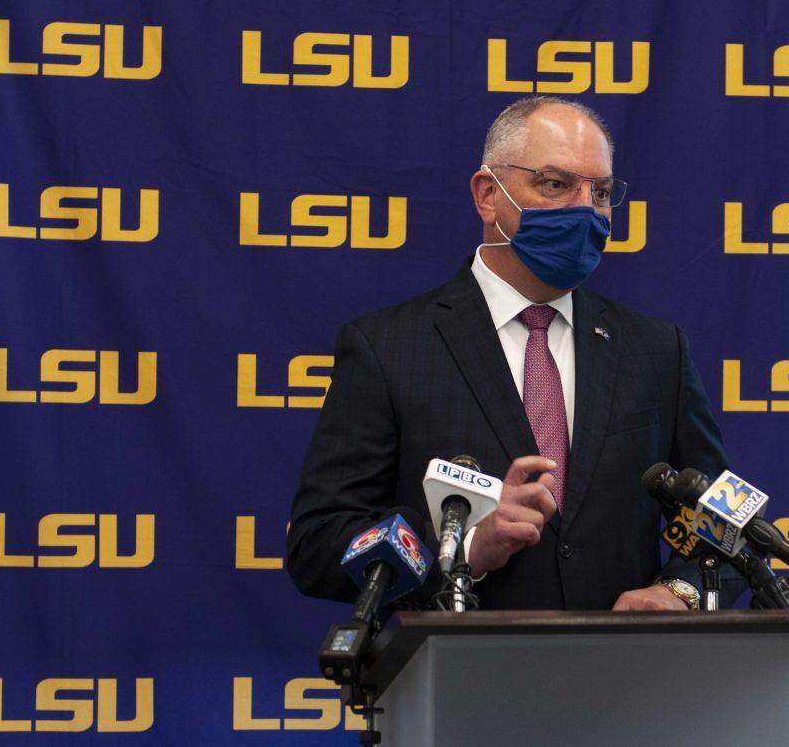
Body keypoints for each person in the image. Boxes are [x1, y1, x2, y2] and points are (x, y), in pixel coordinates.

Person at [287, 96, 745, 611]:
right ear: (488, 194)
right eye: (555, 185)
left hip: (628, 678)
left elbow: (726, 523)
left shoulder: (657, 350)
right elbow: (319, 546)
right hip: (458, 679)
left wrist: (678, 591)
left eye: (599, 192)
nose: (583, 210)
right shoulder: (387, 348)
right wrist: (463, 548)